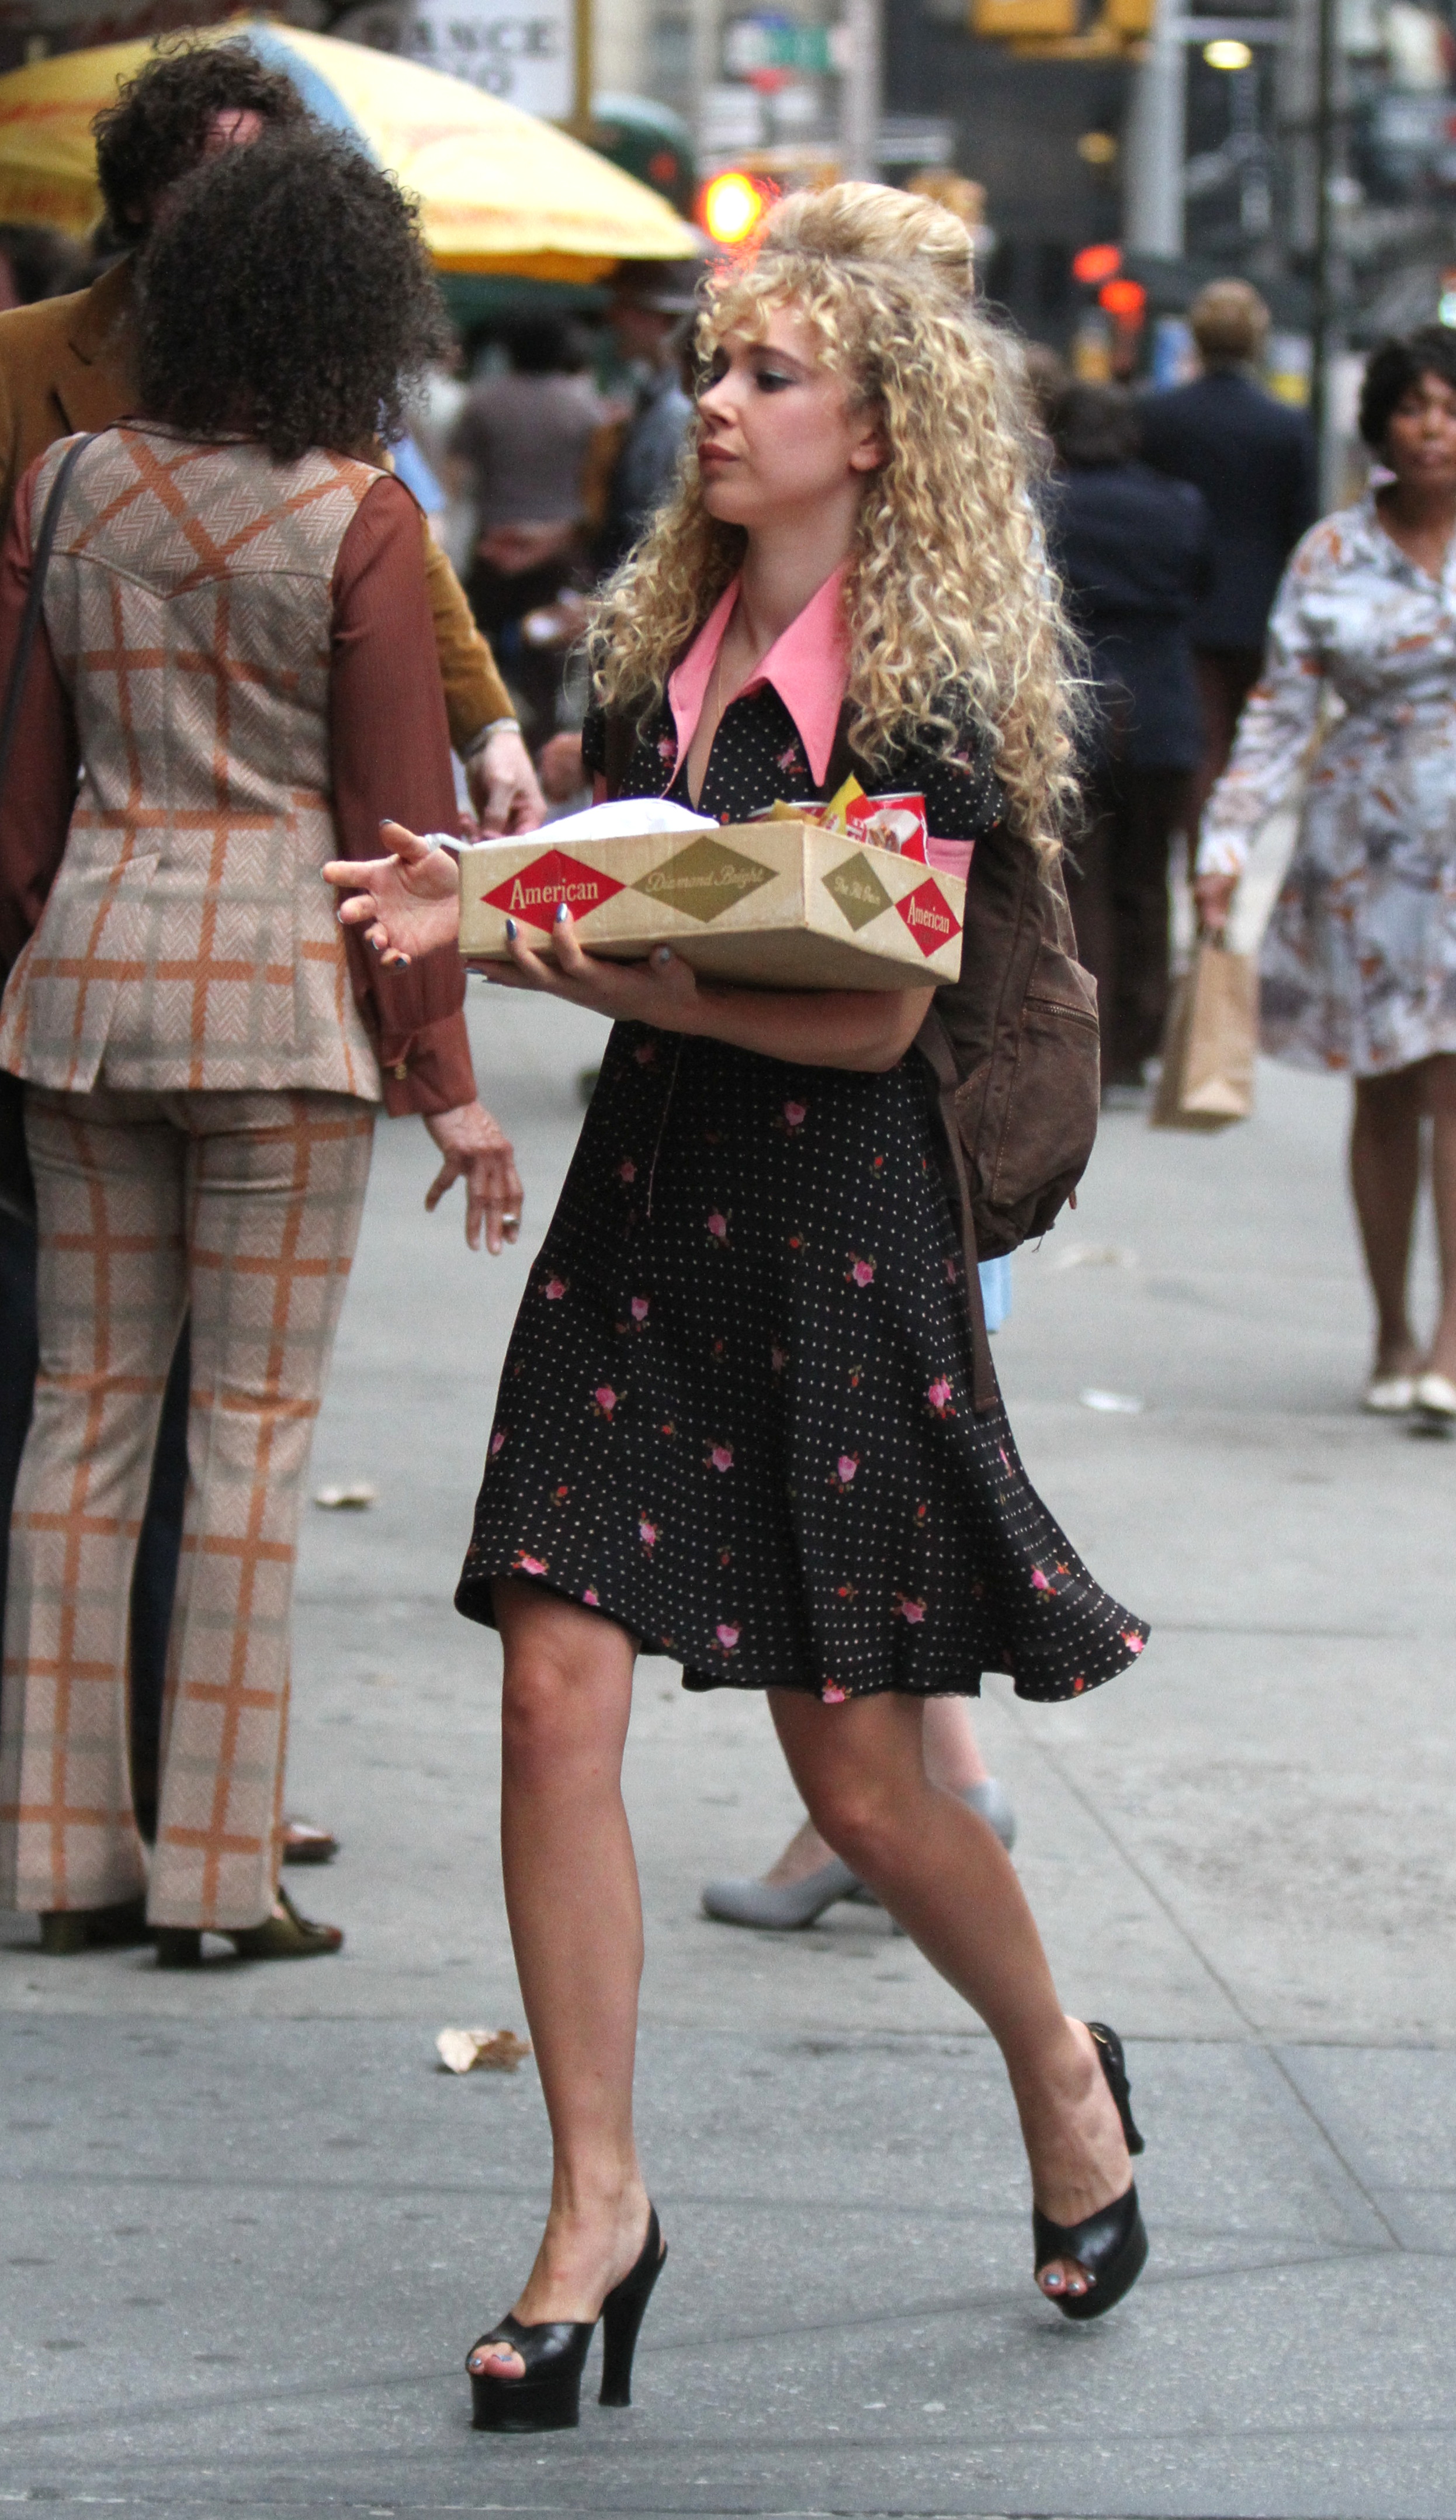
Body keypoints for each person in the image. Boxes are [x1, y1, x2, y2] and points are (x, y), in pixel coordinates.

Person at [331, 183, 1152, 2431]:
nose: (715, 404)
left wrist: (558, 953)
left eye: (768, 376)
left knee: (862, 1783)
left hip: (834, 1227)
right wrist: (490, 900)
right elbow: (631, 913)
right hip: (646, 1208)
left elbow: (865, 1025)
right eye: (713, 367)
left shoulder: (928, 695)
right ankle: (595, 2206)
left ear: (873, 433)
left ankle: (1062, 2074)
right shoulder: (651, 660)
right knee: (548, 1690)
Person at [0, 39, 540, 1887]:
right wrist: (444, 1081)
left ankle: (55, 1855)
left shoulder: (66, 486)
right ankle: (220, 1875)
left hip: (82, 1001)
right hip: (284, 1025)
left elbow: (21, 800)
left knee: (79, 1422)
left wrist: (47, 958)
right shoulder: (353, 517)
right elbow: (399, 836)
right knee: (245, 1435)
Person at [1196, 326, 1456, 1425]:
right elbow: (1277, 710)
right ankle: (1391, 1326)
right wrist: (1227, 837)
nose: (1433, 429)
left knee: (1452, 1080)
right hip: (1364, 849)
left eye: (1450, 409)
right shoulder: (1332, 552)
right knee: (1383, 1087)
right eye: (1413, 408)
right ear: (1381, 424)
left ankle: (1450, 1337)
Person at [1048, 382, 1211, 1090]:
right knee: (1147, 877)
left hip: (1074, 695)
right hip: (1161, 698)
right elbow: (1200, 585)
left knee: (1080, 876)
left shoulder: (1046, 504)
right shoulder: (1178, 505)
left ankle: (1090, 1033)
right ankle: (1141, 1033)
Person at [1140, 278, 1318, 823]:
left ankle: (1202, 850)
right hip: (1260, 609)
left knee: (1202, 743)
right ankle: (1229, 849)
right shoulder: (1286, 426)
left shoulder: (1159, 416)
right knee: (1249, 746)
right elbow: (1302, 526)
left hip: (1182, 607)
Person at [450, 318, 609, 743]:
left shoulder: (483, 401)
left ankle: (486, 731)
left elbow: (458, 475)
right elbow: (598, 477)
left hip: (494, 543)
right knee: (549, 658)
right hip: (559, 548)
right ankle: (540, 739)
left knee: (478, 648)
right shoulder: (584, 407)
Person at [588, 259, 698, 573]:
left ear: (665, 320)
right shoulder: (653, 397)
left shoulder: (678, 410)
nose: (612, 317)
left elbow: (655, 524)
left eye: (626, 306)